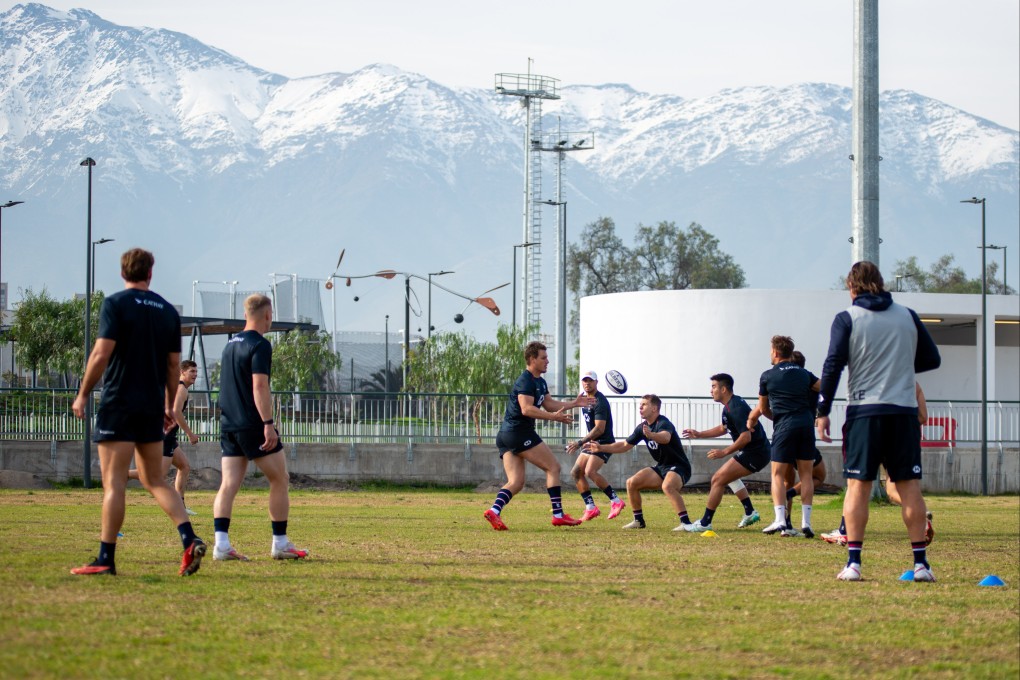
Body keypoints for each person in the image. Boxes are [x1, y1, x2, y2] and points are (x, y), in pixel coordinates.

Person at [70, 248, 206, 576]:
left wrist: (83, 393)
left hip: (119, 402)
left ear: (122, 273)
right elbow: (174, 364)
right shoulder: (167, 312)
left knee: (114, 483)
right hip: (151, 408)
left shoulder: (115, 304)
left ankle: (106, 558)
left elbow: (102, 354)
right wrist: (169, 404)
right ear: (150, 273)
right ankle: (189, 539)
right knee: (156, 480)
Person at [816, 261, 941, 582]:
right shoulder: (908, 315)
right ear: (881, 284)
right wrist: (898, 364)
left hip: (865, 413)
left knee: (858, 486)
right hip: (902, 412)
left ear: (852, 287)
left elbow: (833, 365)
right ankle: (921, 566)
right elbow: (931, 358)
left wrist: (823, 410)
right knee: (909, 487)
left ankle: (854, 564)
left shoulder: (848, 318)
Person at [212, 294, 307, 561]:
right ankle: (280, 543)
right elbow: (259, 386)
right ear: (267, 314)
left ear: (245, 314)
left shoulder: (230, 345)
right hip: (252, 423)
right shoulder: (260, 345)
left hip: (228, 424)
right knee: (280, 479)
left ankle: (221, 544)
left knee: (228, 484)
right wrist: (268, 424)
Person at [483, 341, 593, 530]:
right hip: (518, 433)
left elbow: (549, 405)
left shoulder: (540, 382)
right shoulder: (525, 381)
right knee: (553, 467)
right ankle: (558, 515)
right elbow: (526, 409)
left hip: (508, 435)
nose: (547, 361)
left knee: (516, 482)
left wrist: (574, 403)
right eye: (543, 358)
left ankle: (494, 511)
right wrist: (553, 418)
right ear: (532, 359)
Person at [820, 382, 934, 547]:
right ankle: (921, 517)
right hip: (899, 432)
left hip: (866, 430)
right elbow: (923, 416)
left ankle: (845, 532)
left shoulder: (869, 372)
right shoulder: (910, 381)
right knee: (893, 489)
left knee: (855, 484)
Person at [748, 335, 820, 538]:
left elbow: (763, 408)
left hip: (785, 426)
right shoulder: (804, 373)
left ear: (776, 352)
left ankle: (780, 519)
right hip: (806, 425)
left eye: (771, 351)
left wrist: (777, 418)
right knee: (806, 474)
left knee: (777, 474)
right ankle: (806, 523)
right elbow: (823, 387)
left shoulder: (767, 375)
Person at [589, 394, 693, 531]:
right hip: (662, 467)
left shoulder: (663, 423)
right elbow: (625, 445)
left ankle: (686, 523)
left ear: (654, 408)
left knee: (667, 486)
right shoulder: (642, 427)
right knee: (631, 483)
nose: (640, 407)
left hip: (679, 466)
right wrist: (601, 447)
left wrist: (652, 435)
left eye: (644, 404)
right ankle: (638, 521)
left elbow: (666, 437)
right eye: (640, 404)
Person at [682, 373, 768, 532]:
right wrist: (699, 434)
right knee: (728, 477)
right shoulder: (729, 406)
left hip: (756, 452)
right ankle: (749, 512)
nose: (711, 391)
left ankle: (705, 522)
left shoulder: (736, 408)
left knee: (718, 479)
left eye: (714, 387)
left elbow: (746, 436)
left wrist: (724, 452)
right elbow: (723, 428)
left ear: (723, 389)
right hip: (754, 451)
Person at [127, 359, 200, 515]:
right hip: (165, 435)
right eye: (191, 371)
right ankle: (123, 474)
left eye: (196, 371)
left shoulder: (178, 387)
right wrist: (190, 433)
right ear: (182, 372)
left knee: (184, 466)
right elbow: (176, 412)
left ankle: (180, 505)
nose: (195, 374)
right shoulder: (182, 389)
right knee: (157, 476)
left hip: (168, 435)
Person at [565, 371, 625, 521]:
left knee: (590, 471)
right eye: (584, 381)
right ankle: (591, 508)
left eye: (590, 381)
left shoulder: (600, 401)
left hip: (604, 442)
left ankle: (616, 501)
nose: (587, 383)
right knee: (576, 472)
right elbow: (571, 405)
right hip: (592, 442)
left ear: (596, 382)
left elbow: (599, 429)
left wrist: (580, 443)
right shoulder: (585, 399)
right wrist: (558, 415)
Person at [780, 351, 827, 537]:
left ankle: (785, 523)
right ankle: (793, 497)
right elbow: (825, 389)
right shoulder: (809, 381)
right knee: (816, 476)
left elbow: (765, 405)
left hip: (783, 433)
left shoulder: (782, 381)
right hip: (804, 431)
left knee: (785, 479)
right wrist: (820, 414)